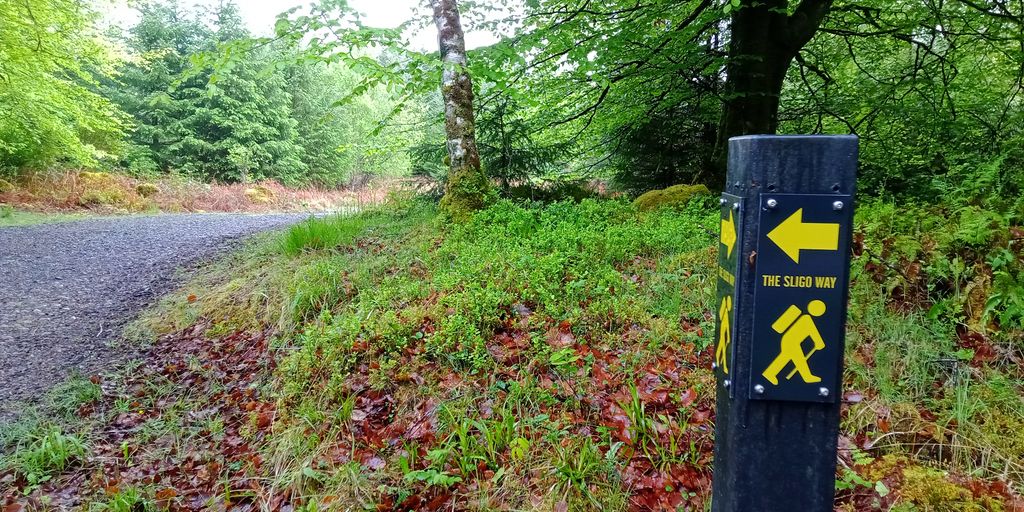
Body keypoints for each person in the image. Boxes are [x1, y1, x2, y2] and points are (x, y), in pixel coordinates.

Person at [762, 300, 826, 385]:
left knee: (787, 358)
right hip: (791, 342)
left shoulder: (805, 318)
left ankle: (769, 373)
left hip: (789, 340)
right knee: (799, 359)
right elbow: (814, 333)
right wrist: (819, 343)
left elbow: (813, 334)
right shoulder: (807, 320)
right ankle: (807, 377)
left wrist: (818, 342)